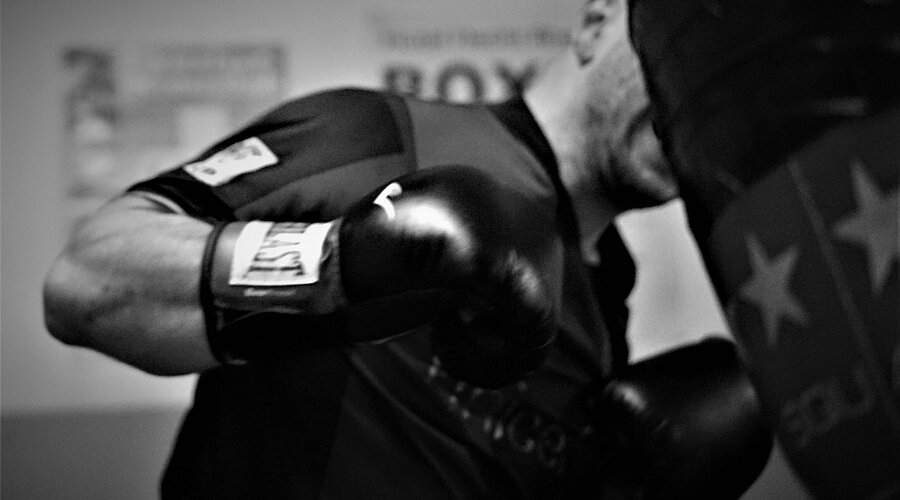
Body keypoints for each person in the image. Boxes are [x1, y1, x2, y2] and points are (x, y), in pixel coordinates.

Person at [42, 1, 772, 498]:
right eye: (685, 55)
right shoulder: (383, 135)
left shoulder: (607, 305)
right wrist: (331, 265)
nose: (698, 100)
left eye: (724, 89)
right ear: (597, 22)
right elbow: (85, 282)